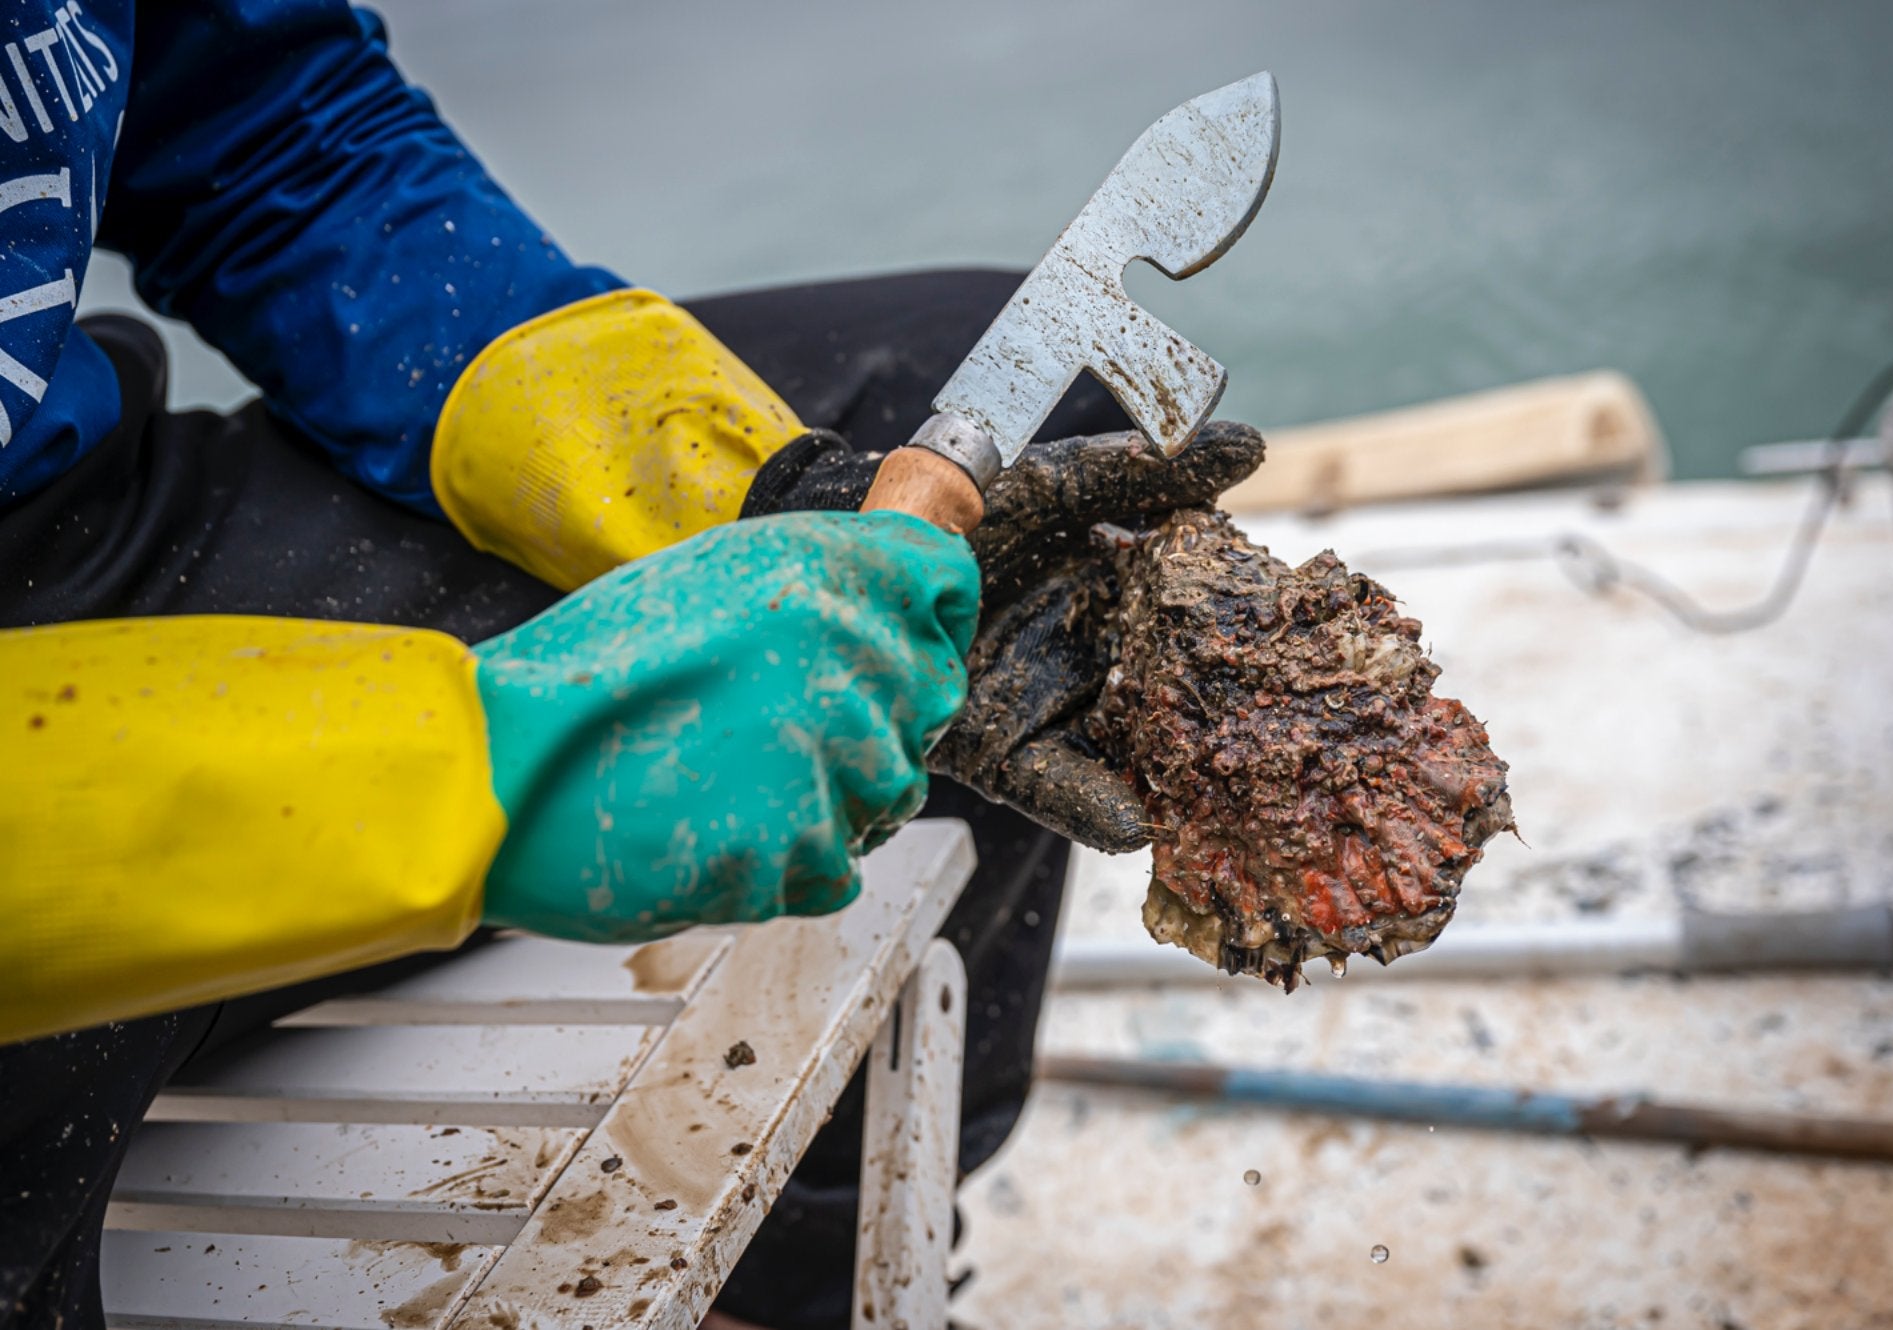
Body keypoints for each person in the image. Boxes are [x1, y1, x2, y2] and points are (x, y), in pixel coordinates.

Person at [0, 6, 1258, 1328]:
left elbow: (270, 137)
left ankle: (779, 1286)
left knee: (998, 517)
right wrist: (498, 770)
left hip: (77, 521)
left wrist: (770, 502)